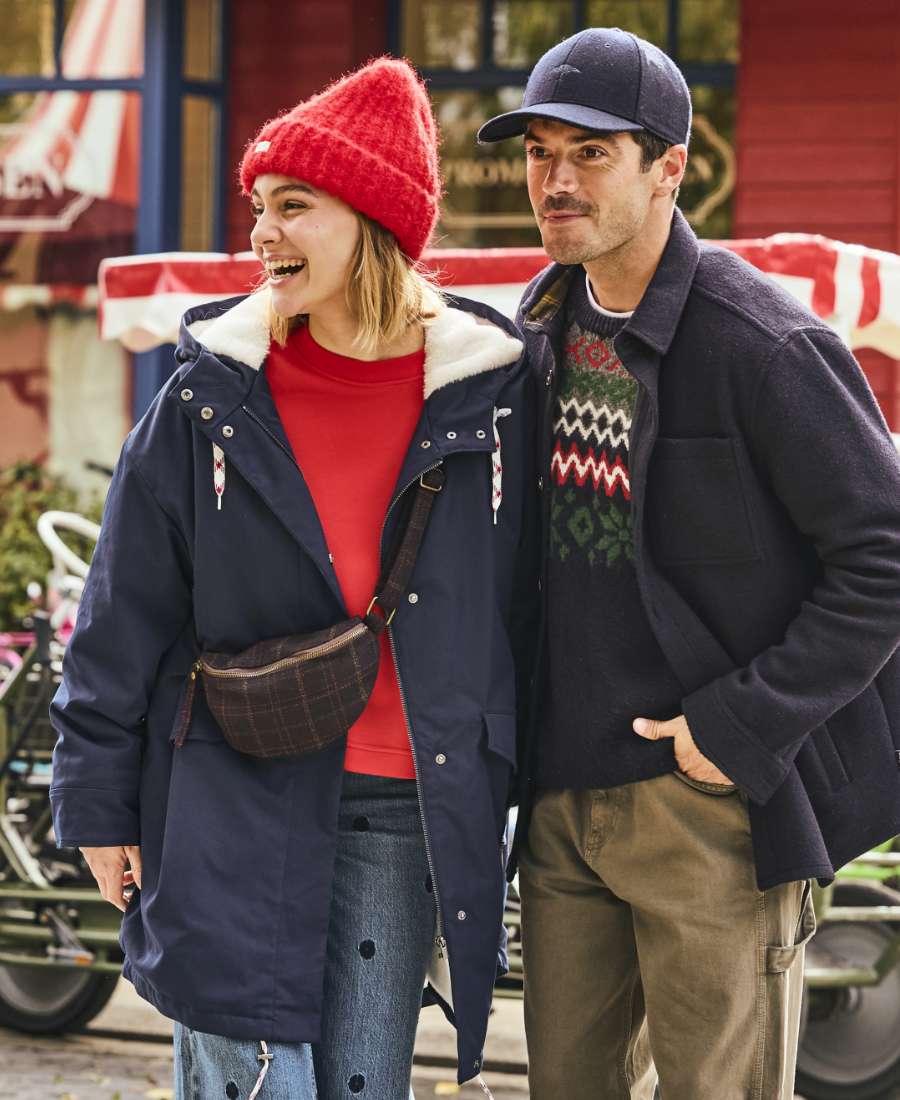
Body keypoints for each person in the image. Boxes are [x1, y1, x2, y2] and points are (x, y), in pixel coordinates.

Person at [50, 57, 536, 1100]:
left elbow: (536, 611)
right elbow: (121, 610)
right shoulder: (209, 396)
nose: (261, 233)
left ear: (374, 220)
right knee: (256, 1082)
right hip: (227, 792)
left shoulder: (491, 397)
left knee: (362, 1086)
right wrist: (96, 802)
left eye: (294, 206)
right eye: (259, 207)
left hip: (407, 810)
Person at [477, 26, 900, 1100]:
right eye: (539, 153)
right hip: (560, 801)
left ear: (670, 167)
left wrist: (739, 726)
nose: (555, 181)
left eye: (591, 153)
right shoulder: (537, 329)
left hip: (708, 805)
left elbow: (885, 556)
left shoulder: (765, 341)